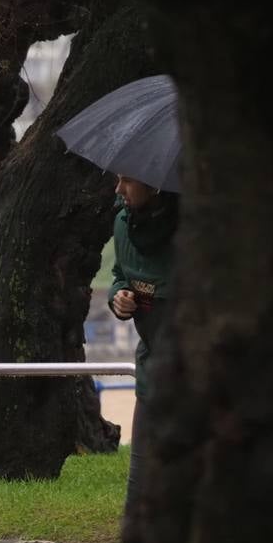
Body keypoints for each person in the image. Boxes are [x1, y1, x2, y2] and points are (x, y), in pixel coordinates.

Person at [107, 173, 177, 505]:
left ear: (156, 184)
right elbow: (121, 274)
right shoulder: (122, 222)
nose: (118, 189)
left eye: (128, 181)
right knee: (141, 487)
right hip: (151, 370)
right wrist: (119, 296)